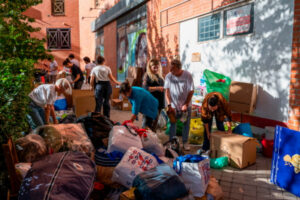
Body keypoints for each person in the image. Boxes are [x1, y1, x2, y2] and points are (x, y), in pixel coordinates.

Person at [164, 59, 194, 150]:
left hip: (185, 105)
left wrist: (186, 104)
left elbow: (191, 91)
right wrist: (169, 105)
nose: (170, 71)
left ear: (178, 68)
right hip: (173, 105)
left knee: (186, 124)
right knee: (173, 124)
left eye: (172, 69)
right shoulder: (169, 76)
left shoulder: (187, 75)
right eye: (170, 68)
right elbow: (167, 92)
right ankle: (173, 142)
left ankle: (185, 142)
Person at [142, 58, 164, 130]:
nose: (156, 69)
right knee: (147, 121)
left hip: (159, 102)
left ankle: (152, 137)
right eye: (154, 67)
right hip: (150, 102)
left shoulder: (159, 76)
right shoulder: (147, 76)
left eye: (157, 67)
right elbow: (145, 88)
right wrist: (157, 88)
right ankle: (145, 137)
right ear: (150, 67)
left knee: (155, 122)